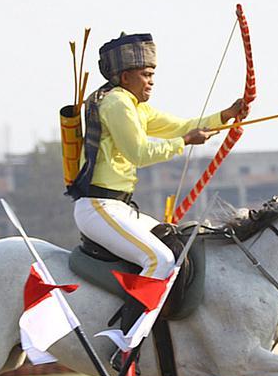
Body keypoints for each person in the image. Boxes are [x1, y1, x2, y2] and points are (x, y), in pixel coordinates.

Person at [67, 32, 248, 340]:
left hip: (119, 208)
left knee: (176, 248)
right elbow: (139, 153)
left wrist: (225, 116)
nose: (151, 81)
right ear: (126, 76)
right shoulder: (117, 104)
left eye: (153, 74)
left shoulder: (135, 105)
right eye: (146, 74)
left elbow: (180, 126)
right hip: (99, 207)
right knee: (159, 259)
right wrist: (184, 143)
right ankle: (128, 341)